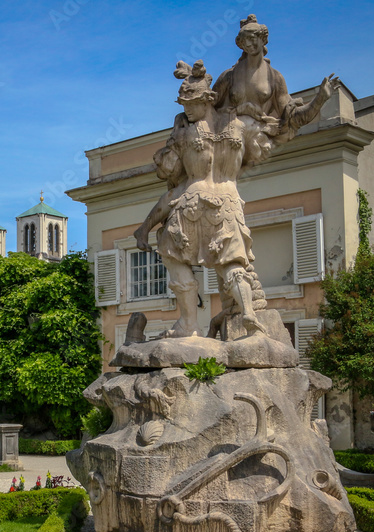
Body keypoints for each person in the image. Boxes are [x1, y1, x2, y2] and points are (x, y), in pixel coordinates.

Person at [134, 60, 278, 338]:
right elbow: (263, 149)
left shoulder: (186, 132)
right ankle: (247, 310)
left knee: (171, 255)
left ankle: (188, 323)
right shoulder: (239, 124)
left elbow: (168, 172)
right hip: (228, 205)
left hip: (190, 202)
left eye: (191, 104)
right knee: (232, 264)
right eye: (183, 105)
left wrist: (145, 226)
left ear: (208, 100)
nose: (186, 110)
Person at [212, 14, 334, 144]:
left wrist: (320, 99)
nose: (248, 44)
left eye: (251, 38)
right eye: (243, 41)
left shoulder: (275, 77)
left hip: (257, 140)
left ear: (262, 39)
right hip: (230, 138)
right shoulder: (229, 76)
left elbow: (292, 117)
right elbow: (208, 106)